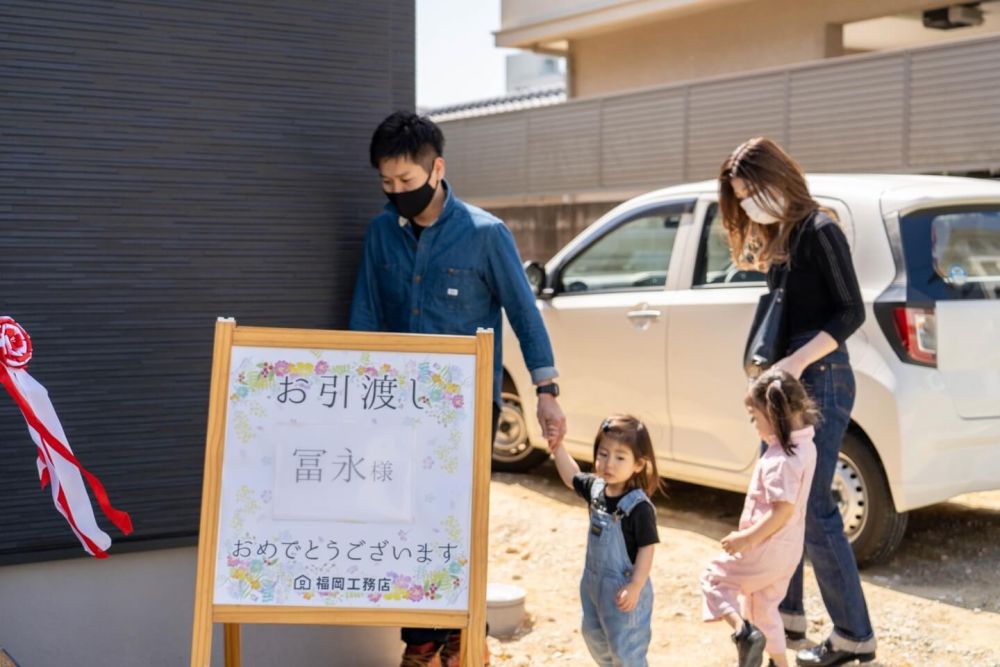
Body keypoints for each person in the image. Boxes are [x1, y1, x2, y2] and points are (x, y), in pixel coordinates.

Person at [349, 110, 567, 667]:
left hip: (465, 409)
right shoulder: (381, 233)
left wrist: (546, 388)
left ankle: (459, 637)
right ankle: (424, 642)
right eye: (387, 184)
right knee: (405, 520)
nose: (397, 192)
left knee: (454, 520)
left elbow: (524, 313)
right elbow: (366, 313)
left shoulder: (485, 234)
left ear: (436, 168)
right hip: (395, 405)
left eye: (406, 181)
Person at [718, 137, 875, 666]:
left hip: (822, 380)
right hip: (786, 391)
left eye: (749, 192)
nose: (745, 205)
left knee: (810, 506)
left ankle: (855, 634)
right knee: (777, 500)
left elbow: (851, 312)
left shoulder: (820, 230)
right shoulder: (782, 236)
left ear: (776, 179)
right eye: (738, 197)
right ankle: (784, 616)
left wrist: (796, 362)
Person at [701, 368, 819, 667]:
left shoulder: (781, 459)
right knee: (763, 607)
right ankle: (780, 663)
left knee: (714, 577)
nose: (754, 425)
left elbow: (783, 510)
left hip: (765, 547)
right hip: (789, 551)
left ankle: (744, 634)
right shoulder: (806, 446)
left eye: (755, 417)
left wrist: (747, 538)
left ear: (775, 413)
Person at [549, 414, 661, 667]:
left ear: (638, 464)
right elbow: (572, 477)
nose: (608, 463)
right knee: (595, 637)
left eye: (620, 457)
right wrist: (558, 448)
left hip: (624, 590)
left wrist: (635, 584)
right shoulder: (597, 490)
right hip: (593, 586)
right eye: (603, 454)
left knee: (627, 650)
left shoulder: (638, 507)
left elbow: (647, 548)